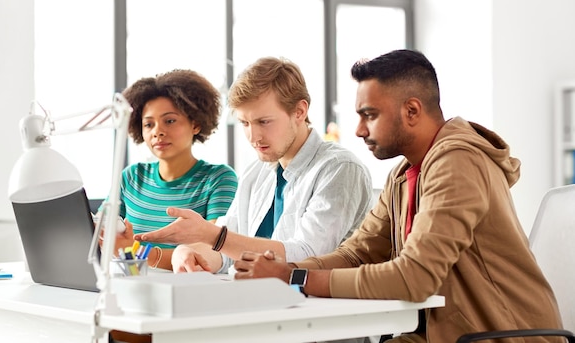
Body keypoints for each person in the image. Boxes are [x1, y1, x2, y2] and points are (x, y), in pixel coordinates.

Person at [232, 49, 563, 343]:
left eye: (370, 115)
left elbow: (413, 278)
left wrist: (294, 277)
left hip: (501, 335)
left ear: (412, 111)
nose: (360, 129)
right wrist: (282, 270)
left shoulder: (458, 163)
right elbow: (356, 253)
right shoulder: (404, 175)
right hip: (441, 332)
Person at [134, 56, 373, 277]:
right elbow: (225, 252)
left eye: (264, 122)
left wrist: (212, 236)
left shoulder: (340, 169)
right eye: (245, 123)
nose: (253, 135)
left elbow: (306, 255)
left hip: (314, 310)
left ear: (299, 112)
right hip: (256, 302)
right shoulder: (257, 172)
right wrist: (189, 252)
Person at [112, 69, 238, 272]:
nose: (157, 132)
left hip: (189, 289)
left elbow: (215, 250)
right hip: (133, 283)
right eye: (148, 124)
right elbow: (102, 235)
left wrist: (135, 252)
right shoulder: (131, 177)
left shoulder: (218, 179)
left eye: (169, 121)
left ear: (195, 124)